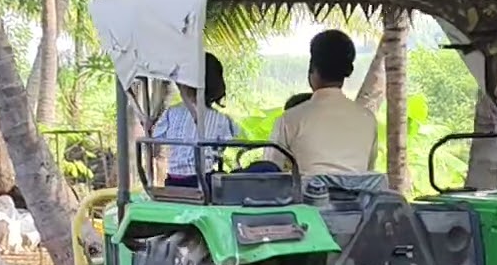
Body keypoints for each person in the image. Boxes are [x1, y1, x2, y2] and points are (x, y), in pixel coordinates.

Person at [265, 30, 378, 175]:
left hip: (305, 197)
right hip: (355, 197)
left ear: (313, 68)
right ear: (348, 71)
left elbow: (270, 174)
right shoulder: (367, 119)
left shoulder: (289, 120)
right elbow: (368, 172)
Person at [151, 52, 240, 188]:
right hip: (203, 183)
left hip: (173, 182)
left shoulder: (171, 113)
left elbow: (155, 140)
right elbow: (225, 146)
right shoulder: (221, 120)